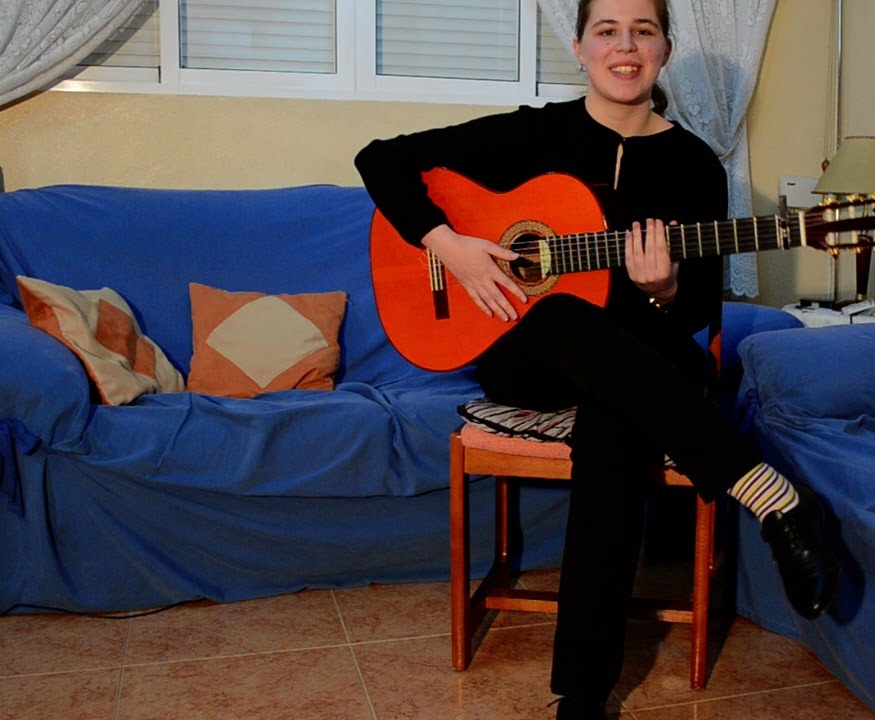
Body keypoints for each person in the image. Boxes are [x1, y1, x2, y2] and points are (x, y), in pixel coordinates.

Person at [355, 0, 839, 716]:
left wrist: (665, 288)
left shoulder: (695, 164)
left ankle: (581, 697)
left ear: (665, 50)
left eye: (643, 31)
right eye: (607, 31)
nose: (625, 46)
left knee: (614, 430)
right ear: (579, 48)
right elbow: (381, 159)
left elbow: (699, 308)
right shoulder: (534, 133)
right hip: (530, 354)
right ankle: (766, 490)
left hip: (647, 360)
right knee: (557, 311)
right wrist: (448, 243)